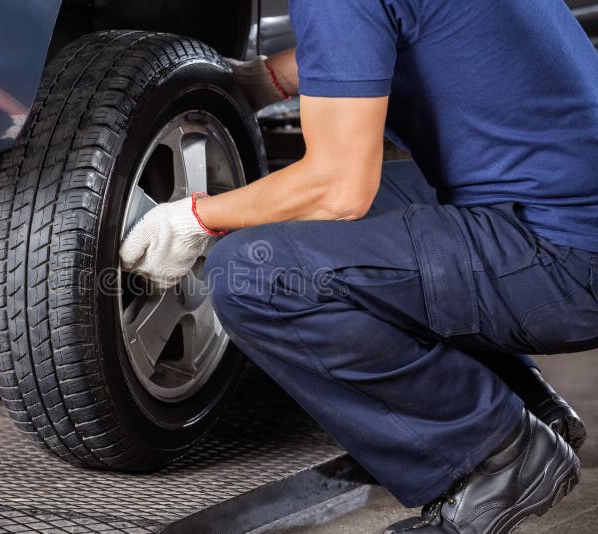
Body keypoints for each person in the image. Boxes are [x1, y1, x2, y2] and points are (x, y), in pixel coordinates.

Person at [120, 1, 598, 531]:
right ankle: (525, 399)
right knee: (289, 219)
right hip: (556, 212)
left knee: (252, 269)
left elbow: (338, 190)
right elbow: (382, 32)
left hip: (564, 261)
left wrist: (195, 218)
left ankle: (498, 457)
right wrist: (265, 79)